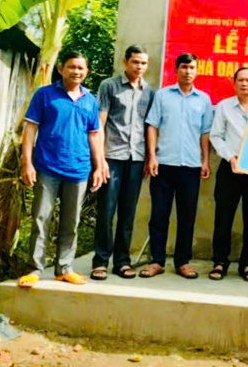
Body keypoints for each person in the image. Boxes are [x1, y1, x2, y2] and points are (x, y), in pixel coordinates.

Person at [18, 51, 106, 288]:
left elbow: (94, 135)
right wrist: (27, 163)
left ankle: (64, 268)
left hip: (78, 170)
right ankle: (35, 268)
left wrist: (99, 166)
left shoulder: (90, 100)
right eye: (71, 67)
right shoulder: (44, 94)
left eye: (81, 68)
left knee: (71, 221)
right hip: (47, 167)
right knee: (41, 218)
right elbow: (30, 129)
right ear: (61, 69)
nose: (76, 71)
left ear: (87, 72)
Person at [140, 53, 213, 279]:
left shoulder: (203, 100)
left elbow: (205, 133)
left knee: (187, 217)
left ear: (197, 71)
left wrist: (205, 161)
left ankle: (183, 262)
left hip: (191, 166)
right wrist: (151, 156)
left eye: (192, 68)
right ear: (176, 70)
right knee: (159, 215)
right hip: (163, 164)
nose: (188, 72)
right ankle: (156, 261)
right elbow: (152, 126)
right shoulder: (162, 95)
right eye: (184, 67)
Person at [91, 45, 152, 281]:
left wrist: (148, 157)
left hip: (136, 159)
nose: (139, 67)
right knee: (106, 211)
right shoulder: (109, 86)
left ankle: (122, 261)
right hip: (112, 157)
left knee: (128, 213)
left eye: (143, 63)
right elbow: (100, 123)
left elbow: (149, 127)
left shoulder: (149, 91)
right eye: (135, 62)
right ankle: (100, 262)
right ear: (125, 61)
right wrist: (100, 159)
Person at [209, 67, 248, 281]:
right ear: (234, 83)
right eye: (240, 80)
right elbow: (216, 136)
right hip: (230, 167)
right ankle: (220, 261)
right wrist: (230, 157)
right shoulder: (223, 106)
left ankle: (247, 263)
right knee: (223, 217)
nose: (244, 84)